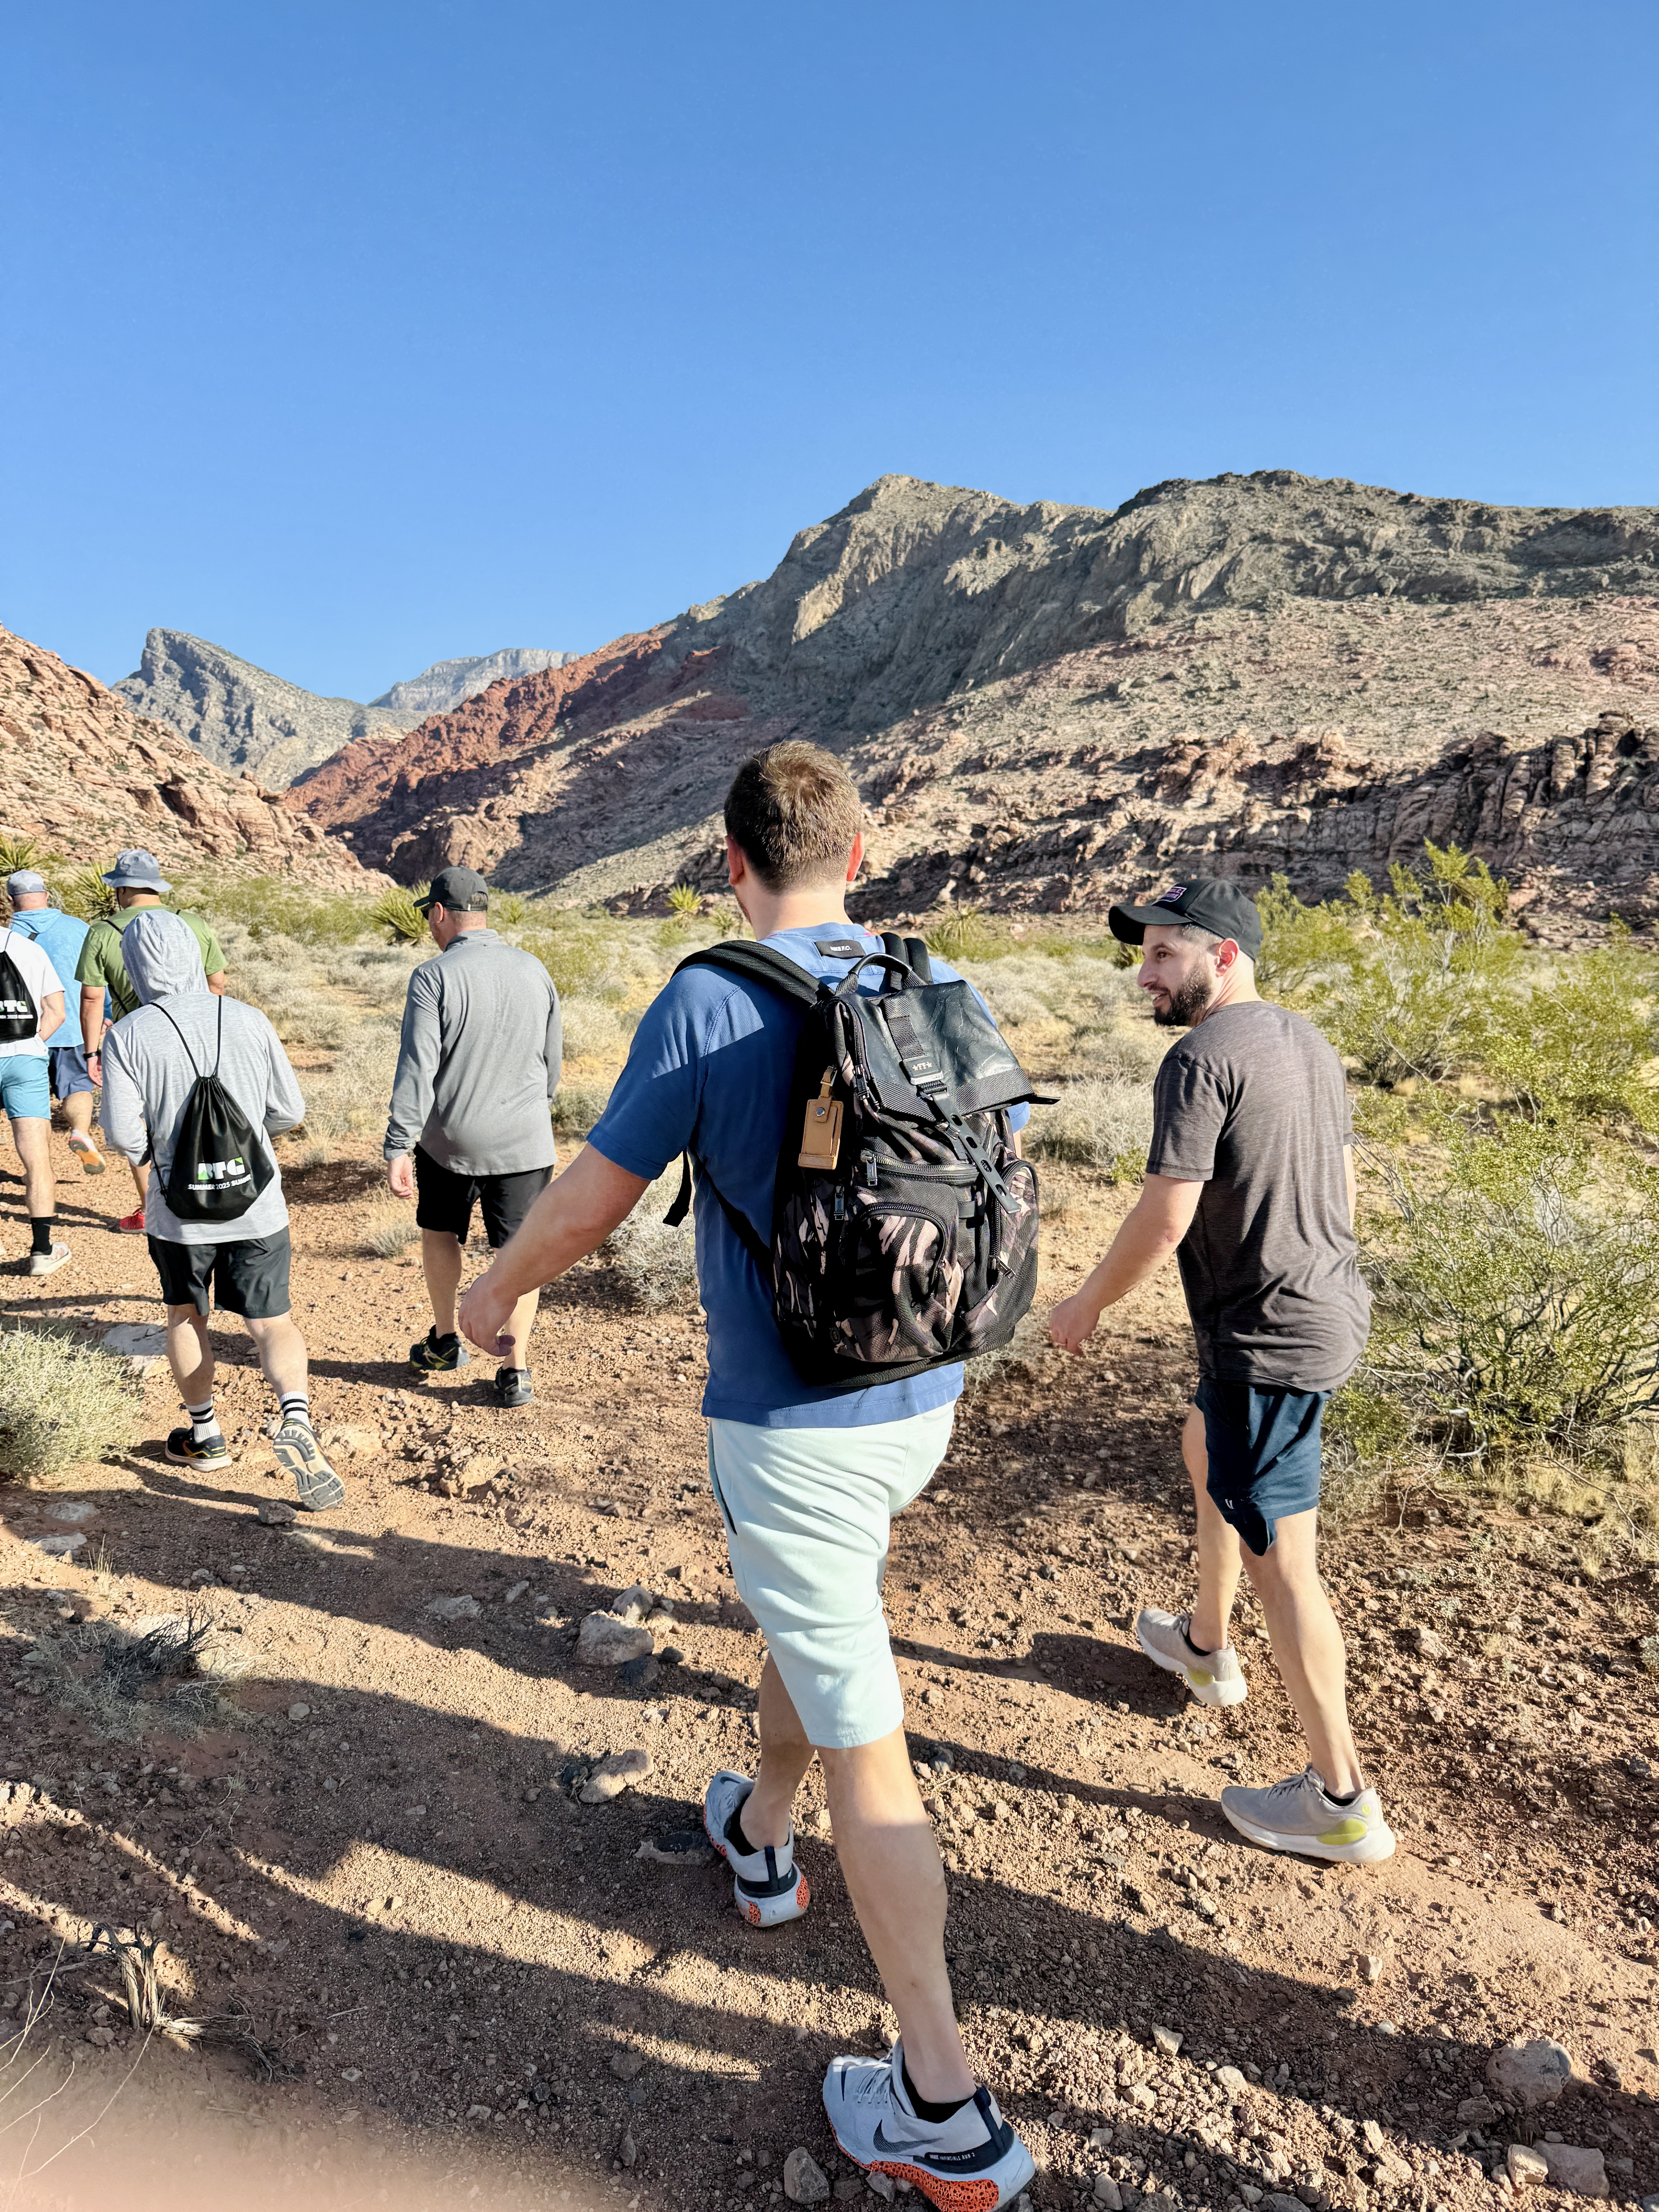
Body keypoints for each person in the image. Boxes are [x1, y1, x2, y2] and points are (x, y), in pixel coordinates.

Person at [456, 742, 1038, 2209]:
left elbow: (591, 1201)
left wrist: (490, 1297)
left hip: (791, 1422)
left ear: (730, 862)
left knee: (867, 1733)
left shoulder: (709, 996)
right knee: (815, 1620)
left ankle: (942, 2101)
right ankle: (761, 1841)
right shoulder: (926, 974)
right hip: (922, 1394)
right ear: (861, 850)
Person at [1048, 878, 1392, 1865]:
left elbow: (1166, 1215)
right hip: (1311, 1312)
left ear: (1223, 957)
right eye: (1142, 957)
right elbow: (1343, 1175)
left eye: (1163, 956)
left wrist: (1086, 1304)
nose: (1144, 977)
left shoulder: (1200, 1060)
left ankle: (1341, 1801)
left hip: (1269, 1338)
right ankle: (1204, 1645)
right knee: (1207, 1443)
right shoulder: (1306, 1038)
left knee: (1287, 1566)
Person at [100, 909, 343, 1512]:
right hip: (257, 1205)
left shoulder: (129, 1034)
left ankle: (205, 1435)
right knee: (272, 1322)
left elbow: (125, 1139)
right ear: (192, 955)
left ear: (134, 968)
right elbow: (288, 1111)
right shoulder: (247, 1018)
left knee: (187, 1315)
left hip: (178, 1213)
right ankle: (296, 1416)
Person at [383, 865, 562, 1409]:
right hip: (526, 1142)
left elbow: (417, 1069)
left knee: (441, 1233)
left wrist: (398, 1143)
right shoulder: (535, 969)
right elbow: (552, 1063)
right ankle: (516, 1368)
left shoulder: (434, 976)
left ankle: (446, 1341)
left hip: (450, 1142)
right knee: (520, 1252)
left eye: (431, 918)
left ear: (439, 913)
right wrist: (533, 1108)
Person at [76, 850, 227, 1234]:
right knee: (203, 1110)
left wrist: (93, 1050)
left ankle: (153, 1207)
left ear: (122, 889)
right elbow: (218, 983)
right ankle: (216, 1188)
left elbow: (93, 998)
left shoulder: (103, 932)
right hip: (203, 1032)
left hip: (137, 1040)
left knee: (141, 1124)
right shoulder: (192, 923)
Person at [5, 869, 106, 1176]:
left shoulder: (9, 936)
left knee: (29, 1105)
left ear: (11, 901)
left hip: (19, 1033)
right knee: (77, 1087)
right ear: (47, 896)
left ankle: (39, 1169)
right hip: (72, 1026)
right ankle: (80, 1133)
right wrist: (106, 1013)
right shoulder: (78, 928)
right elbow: (97, 977)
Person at [0, 900, 70, 1276]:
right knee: (35, 1158)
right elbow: (57, 1011)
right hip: (25, 1059)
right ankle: (42, 1251)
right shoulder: (29, 949)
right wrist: (34, 1044)